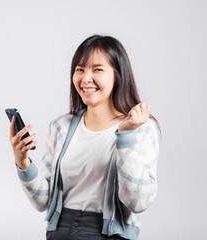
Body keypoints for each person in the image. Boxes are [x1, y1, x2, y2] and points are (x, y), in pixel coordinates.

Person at [8, 35, 162, 240]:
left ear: (118, 75)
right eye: (80, 69)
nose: (85, 78)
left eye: (97, 69)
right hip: (59, 231)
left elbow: (138, 202)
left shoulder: (141, 128)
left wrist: (126, 136)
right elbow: (43, 202)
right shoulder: (61, 126)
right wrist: (22, 161)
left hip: (108, 233)